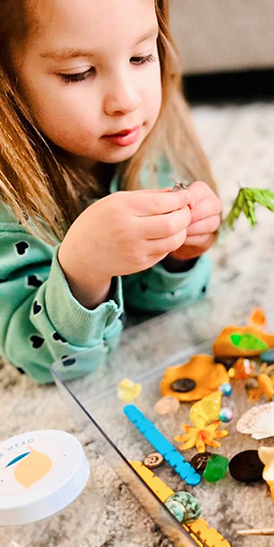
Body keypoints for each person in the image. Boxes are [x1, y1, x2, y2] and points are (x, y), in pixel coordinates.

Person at [0, 0, 221, 383]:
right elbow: (40, 362)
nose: (127, 100)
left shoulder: (151, 143)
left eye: (140, 58)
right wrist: (83, 272)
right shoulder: (12, 208)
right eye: (79, 73)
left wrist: (178, 257)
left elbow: (151, 300)